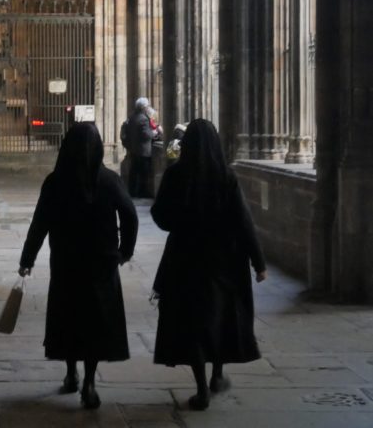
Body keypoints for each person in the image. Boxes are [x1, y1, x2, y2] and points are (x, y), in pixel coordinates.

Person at [18, 122, 138, 410]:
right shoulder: (109, 180)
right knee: (96, 320)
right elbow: (131, 216)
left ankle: (71, 373)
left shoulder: (55, 182)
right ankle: (90, 382)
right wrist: (125, 251)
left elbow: (39, 224)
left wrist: (27, 259)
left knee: (69, 316)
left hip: (66, 262)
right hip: (102, 263)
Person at [150, 119, 267, 411]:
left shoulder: (175, 175)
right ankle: (217, 373)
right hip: (224, 260)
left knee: (192, 322)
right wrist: (258, 262)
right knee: (220, 317)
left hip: (185, 259)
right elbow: (243, 220)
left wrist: (181, 221)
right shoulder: (225, 176)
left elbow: (161, 215)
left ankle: (202, 387)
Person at [126, 97, 155, 197]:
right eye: (147, 106)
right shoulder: (144, 119)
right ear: (143, 107)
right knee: (144, 174)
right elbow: (146, 135)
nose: (148, 108)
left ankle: (132, 191)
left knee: (134, 172)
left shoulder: (132, 117)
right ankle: (143, 192)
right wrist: (154, 132)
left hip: (134, 149)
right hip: (143, 151)